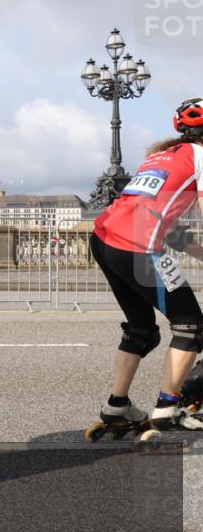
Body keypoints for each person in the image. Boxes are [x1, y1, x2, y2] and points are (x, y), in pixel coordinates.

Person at [87, 97, 203, 440]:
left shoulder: (160, 158)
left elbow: (163, 223)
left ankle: (116, 407)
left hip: (104, 238)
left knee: (142, 330)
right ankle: (167, 409)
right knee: (191, 327)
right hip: (138, 247)